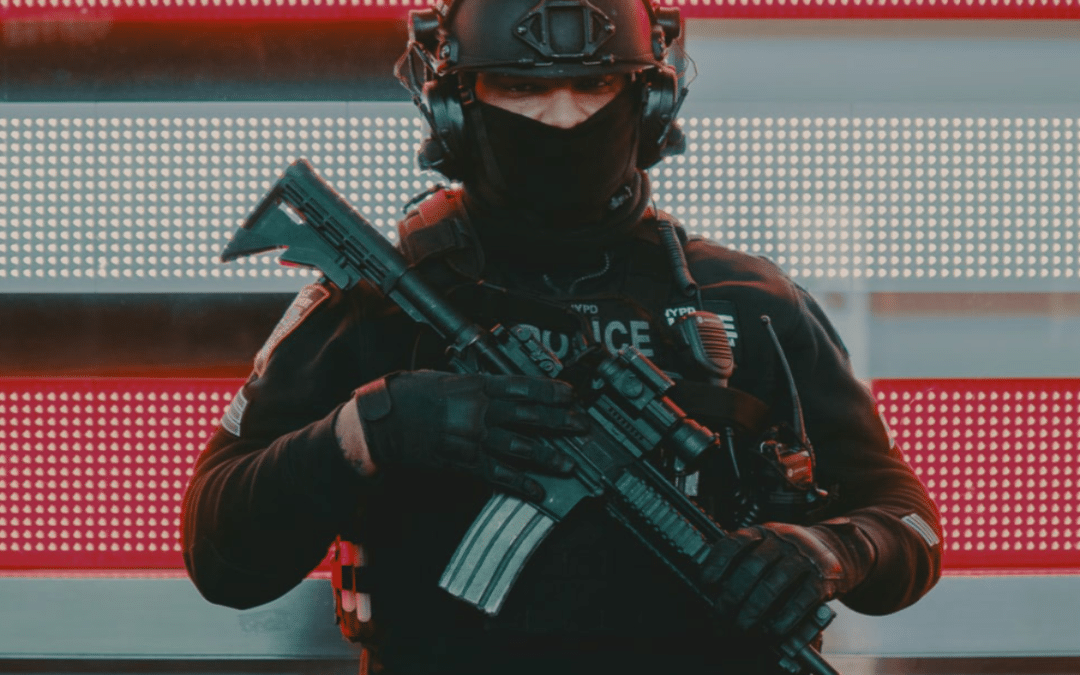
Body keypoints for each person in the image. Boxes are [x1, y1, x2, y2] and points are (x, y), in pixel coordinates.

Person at [181, 1, 943, 673]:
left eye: (596, 84)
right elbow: (219, 550)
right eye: (521, 87)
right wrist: (372, 428)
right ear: (455, 108)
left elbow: (907, 518)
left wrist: (830, 551)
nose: (563, 118)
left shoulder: (751, 301)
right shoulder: (379, 304)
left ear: (649, 102)